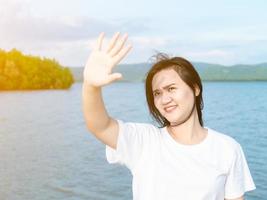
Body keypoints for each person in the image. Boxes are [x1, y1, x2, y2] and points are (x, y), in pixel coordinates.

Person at [82, 32, 256, 200]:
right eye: (157, 93)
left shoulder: (227, 149)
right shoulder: (145, 142)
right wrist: (90, 86)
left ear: (195, 88)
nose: (165, 99)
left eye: (171, 88)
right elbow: (100, 126)